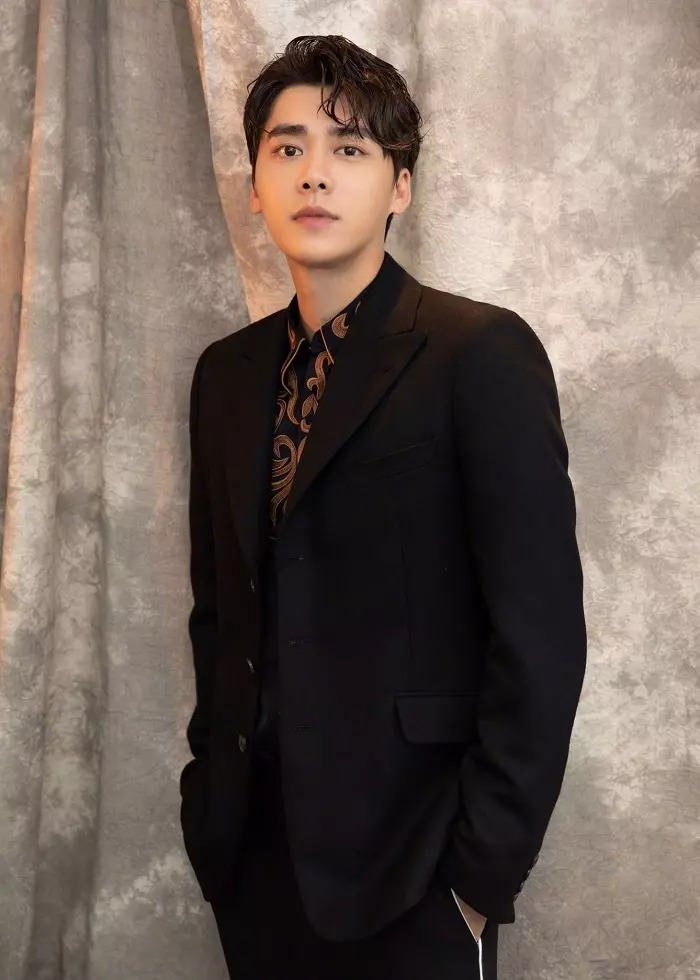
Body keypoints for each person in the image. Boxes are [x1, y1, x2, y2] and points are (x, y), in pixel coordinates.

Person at [179, 34, 587, 980]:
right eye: (287, 147)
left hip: (415, 868)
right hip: (255, 859)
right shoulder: (226, 375)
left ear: (399, 185)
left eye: (350, 148)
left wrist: (478, 878)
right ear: (254, 185)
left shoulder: (477, 354)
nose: (314, 173)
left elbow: (539, 638)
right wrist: (211, 793)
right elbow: (218, 610)